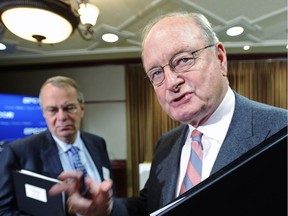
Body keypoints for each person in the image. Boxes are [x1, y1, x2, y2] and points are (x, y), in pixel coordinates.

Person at [49, 11, 288, 216]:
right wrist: (108, 208)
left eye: (183, 60)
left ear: (220, 58)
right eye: (156, 73)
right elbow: (149, 207)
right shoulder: (166, 144)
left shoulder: (281, 131)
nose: (171, 82)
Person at [0, 76, 115, 215]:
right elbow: (4, 211)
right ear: (43, 113)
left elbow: (109, 193)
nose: (62, 117)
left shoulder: (97, 143)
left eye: (69, 108)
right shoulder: (18, 152)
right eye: (52, 110)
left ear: (82, 108)